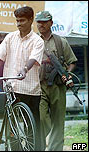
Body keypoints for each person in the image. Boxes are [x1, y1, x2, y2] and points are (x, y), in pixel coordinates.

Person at [0, 6, 44, 151]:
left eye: (22, 20)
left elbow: (33, 59)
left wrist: (25, 69)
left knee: (33, 127)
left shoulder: (37, 41)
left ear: (31, 20)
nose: (19, 23)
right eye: (17, 20)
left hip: (30, 89)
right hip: (11, 88)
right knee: (12, 127)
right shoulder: (10, 37)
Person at [35, 11, 78, 151]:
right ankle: (40, 146)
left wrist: (68, 74)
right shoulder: (33, 41)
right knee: (41, 118)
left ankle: (55, 148)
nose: (41, 24)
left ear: (51, 23)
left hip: (58, 86)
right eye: (38, 22)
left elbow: (72, 61)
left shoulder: (61, 41)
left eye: (44, 22)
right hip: (39, 85)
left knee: (58, 122)